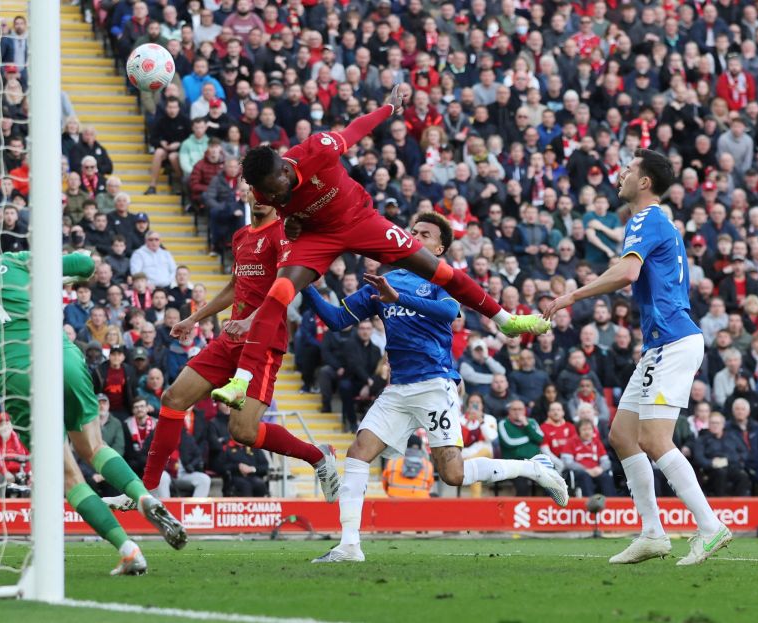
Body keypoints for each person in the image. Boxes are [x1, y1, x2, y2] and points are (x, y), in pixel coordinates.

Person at [210, 84, 550, 411]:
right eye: (265, 194)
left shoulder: (319, 149)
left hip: (361, 221)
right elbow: (284, 215)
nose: (271, 197)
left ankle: (505, 320)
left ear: (285, 169)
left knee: (440, 270)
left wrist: (389, 107)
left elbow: (358, 128)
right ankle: (241, 381)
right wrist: (290, 222)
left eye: (275, 189)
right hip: (317, 237)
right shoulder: (262, 189)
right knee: (278, 293)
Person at [0, 216, 186, 576]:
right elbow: (85, 265)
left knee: (68, 476)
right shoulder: (13, 260)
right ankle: (143, 497)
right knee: (95, 448)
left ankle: (128, 550)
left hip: (20, 378)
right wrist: (72, 260)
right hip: (62, 357)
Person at [309, 214, 566, 563]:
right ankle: (349, 545)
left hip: (435, 382)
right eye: (412, 232)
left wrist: (397, 296)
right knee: (358, 453)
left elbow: (447, 313)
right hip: (398, 387)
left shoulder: (441, 279)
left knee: (453, 474)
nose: (414, 236)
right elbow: (337, 319)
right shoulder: (382, 280)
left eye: (424, 234)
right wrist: (302, 283)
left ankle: (533, 468)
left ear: (439, 247)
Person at [545, 149, 731, 565]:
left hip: (672, 340)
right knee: (623, 436)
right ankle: (652, 532)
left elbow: (627, 273)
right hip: (661, 343)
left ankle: (709, 525)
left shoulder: (645, 218)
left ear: (644, 182)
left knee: (653, 439)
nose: (622, 173)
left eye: (629, 169)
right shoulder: (656, 221)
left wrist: (572, 295)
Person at [104, 200, 339, 512]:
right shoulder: (241, 235)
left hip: (264, 342)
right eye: (253, 189)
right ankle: (145, 489)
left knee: (243, 432)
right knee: (173, 398)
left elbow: (286, 290)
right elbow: (233, 287)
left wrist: (251, 320)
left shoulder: (283, 235)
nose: (258, 197)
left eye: (264, 190)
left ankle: (318, 455)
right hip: (229, 339)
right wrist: (193, 318)